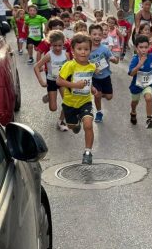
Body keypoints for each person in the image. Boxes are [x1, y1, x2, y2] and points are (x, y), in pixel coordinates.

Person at [56, 33, 97, 165]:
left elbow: (88, 80)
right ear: (73, 51)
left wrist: (92, 88)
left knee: (89, 125)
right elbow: (59, 81)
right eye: (79, 49)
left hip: (85, 101)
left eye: (86, 49)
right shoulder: (69, 65)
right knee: (72, 126)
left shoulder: (92, 66)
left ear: (90, 50)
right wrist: (74, 85)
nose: (83, 52)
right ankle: (75, 124)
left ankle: (87, 152)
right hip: (70, 103)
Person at [33, 30, 70, 132]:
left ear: (64, 43)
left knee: (68, 102)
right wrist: (41, 82)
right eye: (55, 45)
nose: (58, 48)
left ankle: (61, 121)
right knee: (53, 108)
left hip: (62, 81)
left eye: (60, 45)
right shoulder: (49, 55)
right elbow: (36, 67)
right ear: (51, 44)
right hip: (52, 81)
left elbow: (71, 68)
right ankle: (49, 96)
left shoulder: (66, 55)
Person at [128, 35, 152, 129]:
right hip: (136, 86)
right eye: (141, 47)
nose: (143, 50)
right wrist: (140, 64)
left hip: (148, 84)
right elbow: (131, 73)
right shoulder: (135, 59)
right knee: (135, 102)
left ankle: (149, 119)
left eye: (146, 47)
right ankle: (133, 111)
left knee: (148, 98)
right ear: (136, 48)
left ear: (149, 47)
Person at [88, 24, 119, 123]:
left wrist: (114, 59)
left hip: (106, 77)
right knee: (97, 95)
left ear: (102, 36)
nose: (97, 36)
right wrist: (91, 68)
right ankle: (99, 112)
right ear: (89, 35)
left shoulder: (105, 49)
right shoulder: (87, 50)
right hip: (95, 78)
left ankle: (100, 95)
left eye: (99, 34)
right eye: (94, 34)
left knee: (109, 97)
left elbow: (114, 59)